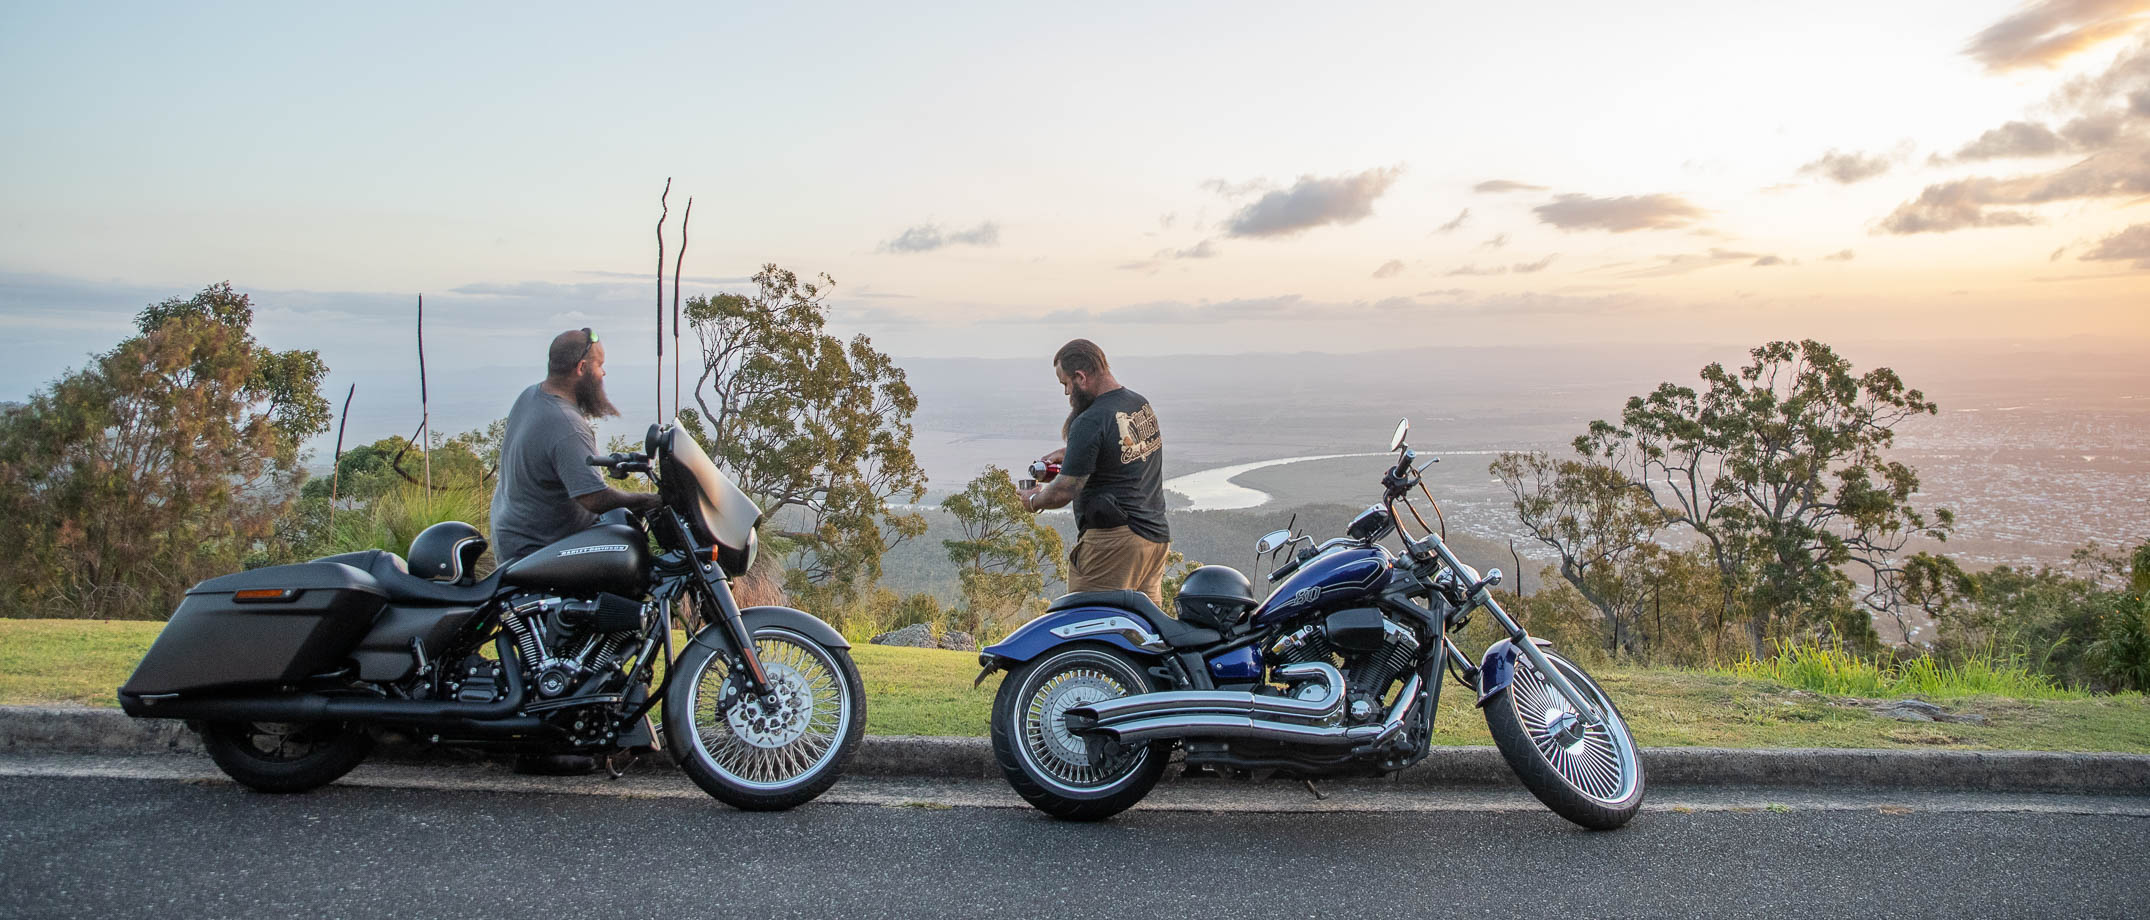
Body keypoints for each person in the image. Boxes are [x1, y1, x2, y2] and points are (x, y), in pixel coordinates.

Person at [490, 327, 663, 567]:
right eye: (599, 365)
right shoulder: (567, 425)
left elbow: (557, 461)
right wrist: (649, 500)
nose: (603, 373)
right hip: (538, 550)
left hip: (513, 535)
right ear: (581, 368)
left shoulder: (531, 396)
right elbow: (594, 499)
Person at [1017, 339, 1171, 606]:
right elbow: (1121, 449)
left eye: (1066, 383)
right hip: (1154, 539)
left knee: (1089, 624)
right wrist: (1070, 453)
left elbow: (1064, 490)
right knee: (1144, 635)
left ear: (1081, 377)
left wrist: (1032, 500)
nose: (1066, 392)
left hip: (1114, 545)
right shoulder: (1137, 405)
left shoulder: (1090, 419)